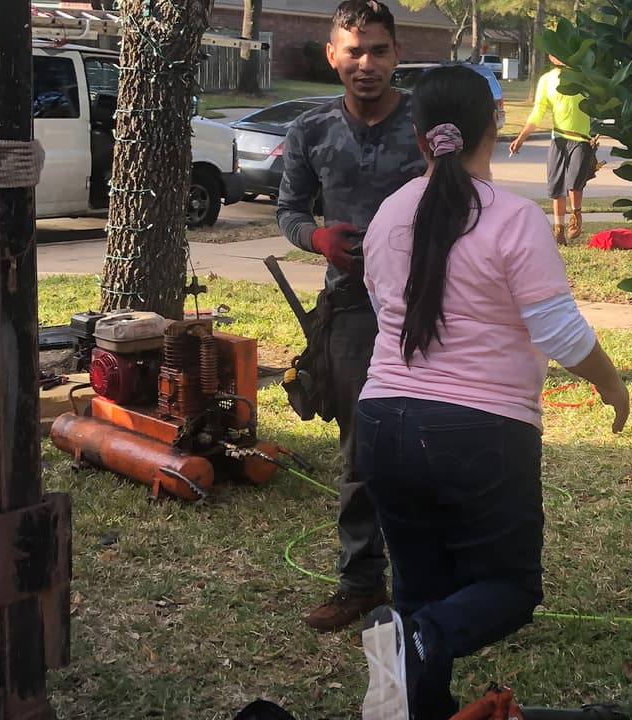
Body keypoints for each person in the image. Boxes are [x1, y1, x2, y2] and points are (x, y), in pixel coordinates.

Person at [355, 66, 630, 720]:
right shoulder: (512, 218)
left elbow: (381, 304)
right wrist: (613, 386)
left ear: (419, 136)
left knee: (419, 583)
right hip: (478, 433)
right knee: (508, 587)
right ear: (496, 125)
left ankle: (412, 685)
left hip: (382, 425)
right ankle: (415, 640)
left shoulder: (389, 213)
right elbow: (558, 330)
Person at [276, 0, 426, 633]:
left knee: (432, 443)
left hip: (431, 306)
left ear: (397, 53)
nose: (367, 64)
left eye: (380, 50)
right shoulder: (309, 131)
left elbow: (470, 191)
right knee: (360, 448)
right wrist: (316, 239)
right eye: (354, 51)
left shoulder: (428, 122)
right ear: (332, 53)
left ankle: (429, 584)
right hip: (353, 311)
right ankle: (360, 581)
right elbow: (288, 210)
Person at [508, 55, 597, 245]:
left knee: (574, 181)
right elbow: (538, 111)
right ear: (550, 56)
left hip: (581, 139)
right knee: (555, 185)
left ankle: (576, 215)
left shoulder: (582, 77)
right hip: (558, 137)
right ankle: (558, 230)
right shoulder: (546, 80)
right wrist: (521, 137)